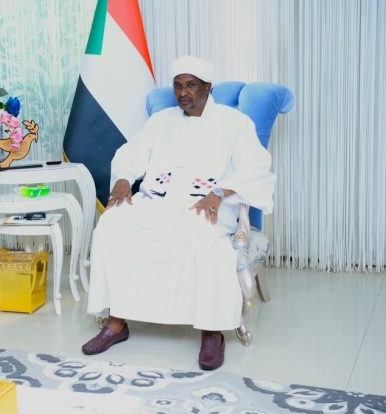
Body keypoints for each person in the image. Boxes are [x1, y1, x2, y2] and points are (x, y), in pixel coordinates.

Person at [81, 56, 275, 370]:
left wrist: (219, 193)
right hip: (158, 201)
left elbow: (256, 167)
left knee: (201, 234)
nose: (183, 93)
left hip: (208, 204)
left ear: (208, 88)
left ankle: (212, 331)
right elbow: (132, 152)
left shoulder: (235, 123)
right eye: (178, 86)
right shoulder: (161, 121)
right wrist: (123, 178)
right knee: (112, 224)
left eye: (191, 85)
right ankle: (116, 322)